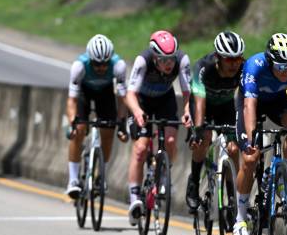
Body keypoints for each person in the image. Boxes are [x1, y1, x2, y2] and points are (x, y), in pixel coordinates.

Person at [233, 32, 287, 235]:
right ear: (270, 61)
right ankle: (240, 218)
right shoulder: (254, 65)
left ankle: (281, 173)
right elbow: (249, 105)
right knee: (250, 159)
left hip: (278, 102)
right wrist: (251, 140)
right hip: (250, 102)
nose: (286, 71)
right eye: (280, 66)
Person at [125, 30, 192, 225]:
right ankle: (135, 197)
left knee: (170, 141)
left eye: (171, 59)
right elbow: (130, 94)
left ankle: (163, 176)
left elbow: (188, 93)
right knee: (140, 149)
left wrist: (188, 111)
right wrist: (137, 112)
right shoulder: (142, 61)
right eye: (163, 60)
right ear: (154, 57)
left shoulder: (182, 60)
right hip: (142, 102)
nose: (169, 63)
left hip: (165, 100)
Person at [186, 31, 245, 212]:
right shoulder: (205, 67)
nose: (234, 63)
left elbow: (247, 99)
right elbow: (200, 100)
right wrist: (198, 129)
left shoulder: (243, 68)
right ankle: (194, 182)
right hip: (203, 105)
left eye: (237, 59)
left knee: (233, 149)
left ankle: (231, 197)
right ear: (218, 57)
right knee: (203, 139)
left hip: (226, 106)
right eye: (229, 59)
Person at [66, 34, 128, 198]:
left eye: (104, 64)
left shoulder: (118, 66)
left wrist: (122, 122)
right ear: (90, 59)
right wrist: (72, 121)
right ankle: (72, 180)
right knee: (78, 130)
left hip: (105, 93)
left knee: (108, 131)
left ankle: (102, 176)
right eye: (96, 64)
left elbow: (123, 99)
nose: (101, 68)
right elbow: (71, 100)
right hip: (84, 93)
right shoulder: (79, 66)